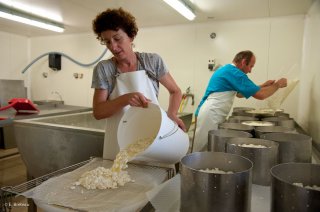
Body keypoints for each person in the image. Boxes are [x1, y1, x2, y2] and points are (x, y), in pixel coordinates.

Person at [91, 8, 186, 160]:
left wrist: (172, 114)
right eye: (107, 41)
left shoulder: (152, 61)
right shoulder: (104, 69)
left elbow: (175, 91)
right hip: (119, 142)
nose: (113, 47)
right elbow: (98, 112)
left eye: (117, 39)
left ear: (131, 36)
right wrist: (125, 99)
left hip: (152, 138)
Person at [193, 50, 287, 152]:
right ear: (243, 62)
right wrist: (278, 85)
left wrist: (263, 85)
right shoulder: (235, 73)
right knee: (203, 147)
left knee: (209, 146)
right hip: (211, 113)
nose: (250, 70)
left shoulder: (228, 69)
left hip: (212, 112)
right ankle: (193, 167)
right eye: (251, 66)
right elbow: (261, 95)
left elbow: (240, 94)